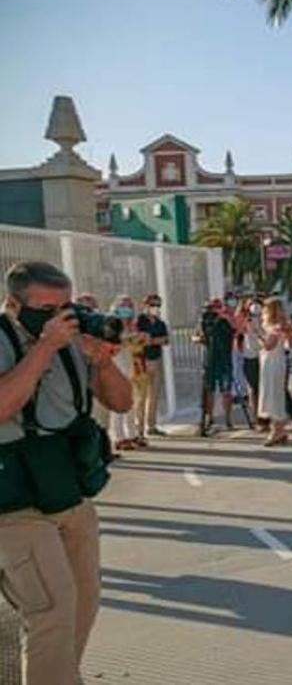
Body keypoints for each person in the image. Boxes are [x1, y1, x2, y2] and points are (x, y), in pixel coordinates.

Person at [0, 261, 132, 685]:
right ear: (12, 304)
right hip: (15, 500)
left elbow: (122, 403)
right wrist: (43, 348)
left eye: (65, 305)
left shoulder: (74, 340)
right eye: (46, 307)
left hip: (69, 492)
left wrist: (103, 362)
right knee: (52, 609)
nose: (59, 316)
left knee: (82, 604)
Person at [109, 295, 147, 451]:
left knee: (132, 403)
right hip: (116, 367)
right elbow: (112, 344)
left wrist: (141, 338)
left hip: (132, 367)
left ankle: (132, 434)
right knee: (119, 403)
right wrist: (129, 339)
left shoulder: (132, 326)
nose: (127, 309)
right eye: (123, 306)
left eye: (129, 306)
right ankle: (119, 437)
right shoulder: (111, 324)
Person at [193, 298, 236, 435]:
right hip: (209, 359)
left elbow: (233, 334)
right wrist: (200, 338)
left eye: (214, 308)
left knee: (226, 390)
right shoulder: (203, 322)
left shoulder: (224, 321)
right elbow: (196, 336)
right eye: (209, 308)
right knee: (209, 390)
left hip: (223, 359)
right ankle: (209, 418)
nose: (211, 312)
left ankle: (228, 419)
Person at [258, 297, 292, 446]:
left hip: (274, 361)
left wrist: (257, 334)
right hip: (271, 362)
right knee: (272, 393)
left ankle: (277, 429)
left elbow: (269, 345)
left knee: (274, 394)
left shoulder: (277, 326)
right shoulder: (277, 325)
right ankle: (279, 430)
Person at [135, 293, 169, 437]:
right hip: (142, 361)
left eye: (157, 305)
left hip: (156, 359)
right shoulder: (139, 321)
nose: (155, 308)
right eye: (152, 305)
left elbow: (166, 340)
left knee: (154, 395)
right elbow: (140, 340)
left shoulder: (160, 323)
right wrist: (154, 340)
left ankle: (152, 425)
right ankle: (139, 428)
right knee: (141, 396)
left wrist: (153, 340)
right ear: (145, 305)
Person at [239, 297, 264, 429]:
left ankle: (265, 417)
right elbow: (238, 330)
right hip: (250, 356)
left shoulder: (265, 320)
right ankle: (256, 418)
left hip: (263, 356)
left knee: (262, 389)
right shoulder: (244, 320)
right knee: (253, 389)